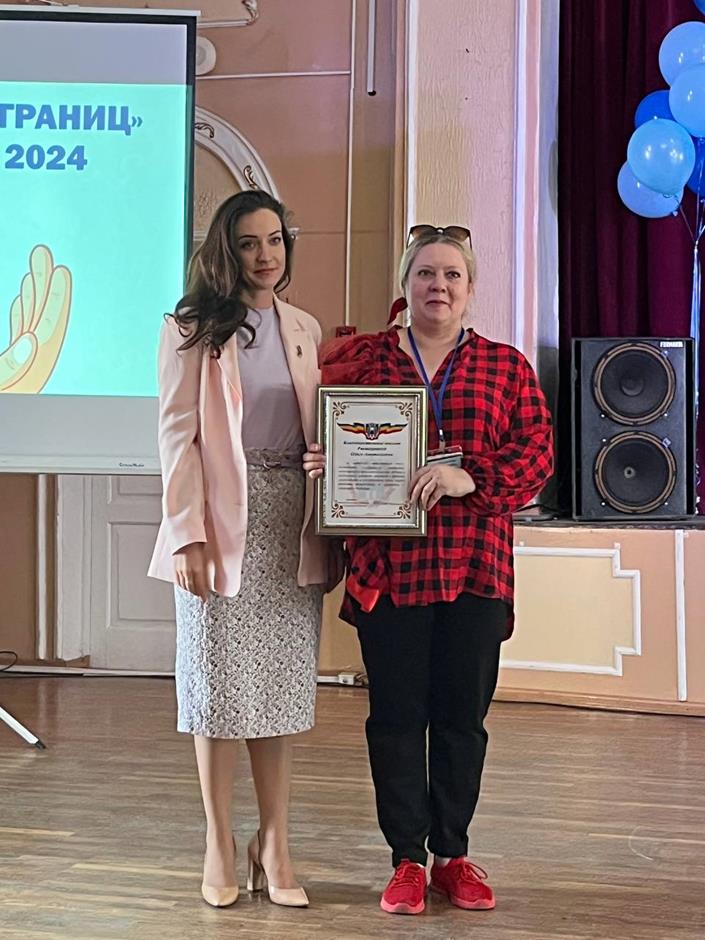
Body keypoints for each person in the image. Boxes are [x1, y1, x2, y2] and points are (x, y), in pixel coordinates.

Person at [304, 225, 553, 916]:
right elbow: (330, 436)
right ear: (405, 283)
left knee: (461, 721)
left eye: (450, 275)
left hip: (476, 569)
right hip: (391, 571)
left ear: (469, 289)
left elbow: (537, 454)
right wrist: (327, 464)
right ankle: (406, 860)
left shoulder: (505, 367)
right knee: (394, 719)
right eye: (424, 273)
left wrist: (470, 477)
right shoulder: (366, 364)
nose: (437, 286)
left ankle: (452, 855)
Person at [148, 190, 343, 909]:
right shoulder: (189, 328)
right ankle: (219, 840)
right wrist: (187, 534)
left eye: (275, 240)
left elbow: (317, 425)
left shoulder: (304, 327)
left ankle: (275, 841)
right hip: (218, 524)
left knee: (279, 691)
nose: (265, 255)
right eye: (249, 243)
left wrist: (327, 459)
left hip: (290, 520)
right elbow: (177, 437)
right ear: (225, 251)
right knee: (216, 689)